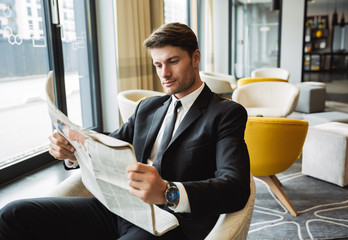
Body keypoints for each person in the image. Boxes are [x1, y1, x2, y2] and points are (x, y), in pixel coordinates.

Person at [0, 22, 250, 240]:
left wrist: (167, 191)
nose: (164, 73)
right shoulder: (148, 107)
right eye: (158, 64)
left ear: (195, 58)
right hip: (119, 208)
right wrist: (72, 151)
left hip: (169, 223)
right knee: (13, 214)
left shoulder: (226, 113)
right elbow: (107, 146)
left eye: (173, 61)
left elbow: (235, 188)